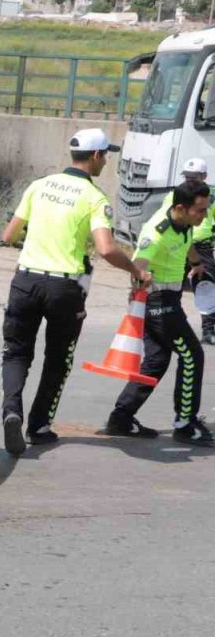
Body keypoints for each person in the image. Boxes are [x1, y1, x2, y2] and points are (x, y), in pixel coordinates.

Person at [0, 128, 153, 457]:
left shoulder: (39, 185)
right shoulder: (94, 198)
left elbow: (9, 235)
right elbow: (106, 249)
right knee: (58, 359)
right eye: (105, 155)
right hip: (64, 288)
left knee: (16, 353)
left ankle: (12, 411)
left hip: (25, 280)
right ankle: (39, 426)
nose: (106, 161)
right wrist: (136, 270)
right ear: (95, 156)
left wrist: (37, 241)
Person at [104, 180, 215, 445]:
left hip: (169, 299)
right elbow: (139, 263)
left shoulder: (186, 222)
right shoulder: (157, 232)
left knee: (156, 361)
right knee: (192, 355)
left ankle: (121, 418)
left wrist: (197, 263)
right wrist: (138, 281)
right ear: (181, 208)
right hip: (159, 303)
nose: (204, 215)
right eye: (200, 210)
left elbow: (187, 241)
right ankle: (185, 424)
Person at [165, 159, 215, 344]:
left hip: (201, 247)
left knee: (206, 289)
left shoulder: (210, 197)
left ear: (204, 177)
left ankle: (208, 330)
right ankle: (171, 328)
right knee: (174, 286)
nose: (189, 180)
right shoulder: (176, 195)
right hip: (179, 244)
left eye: (194, 177)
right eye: (187, 176)